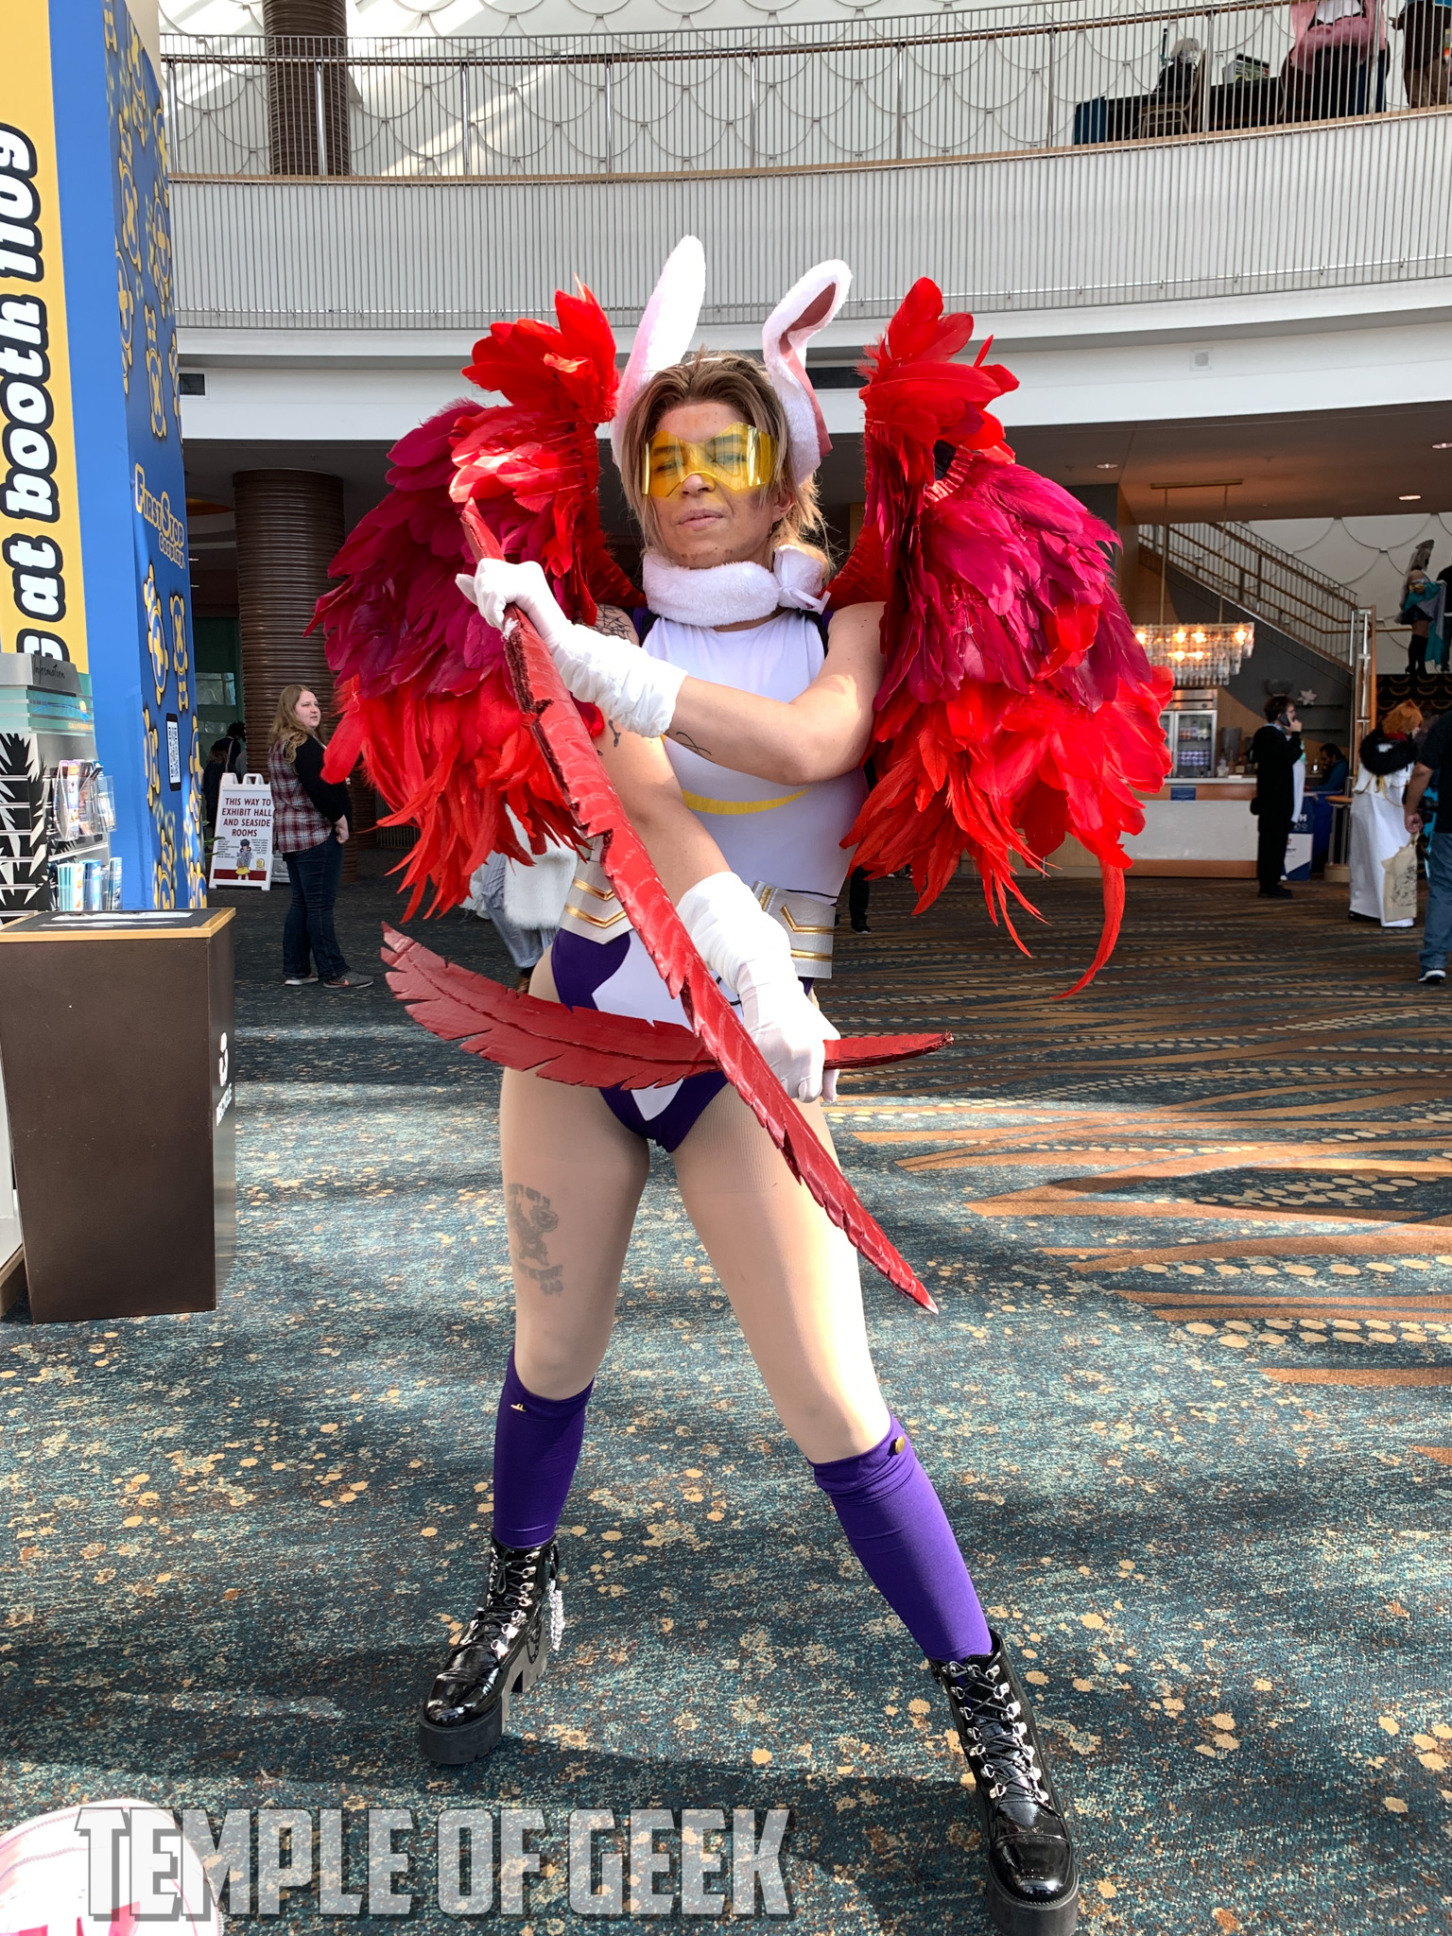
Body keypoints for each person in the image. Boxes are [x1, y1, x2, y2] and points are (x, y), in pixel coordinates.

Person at [317, 245, 1173, 1936]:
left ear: (782, 473)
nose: (695, 480)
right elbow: (640, 808)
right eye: (667, 456)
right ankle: (517, 1594)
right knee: (548, 1352)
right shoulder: (602, 621)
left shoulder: (833, 615)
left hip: (748, 1068)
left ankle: (985, 1703)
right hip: (583, 1028)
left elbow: (816, 746)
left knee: (835, 1405)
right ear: (638, 480)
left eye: (728, 452)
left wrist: (621, 692)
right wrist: (606, 683)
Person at [267, 684, 372, 992]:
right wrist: (341, 821)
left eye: (315, 703)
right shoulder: (305, 744)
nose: (314, 709)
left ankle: (296, 969)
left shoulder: (280, 744)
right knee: (319, 906)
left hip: (290, 836)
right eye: (305, 705)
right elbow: (318, 789)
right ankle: (334, 971)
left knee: (301, 903)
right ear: (290, 710)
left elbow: (308, 783)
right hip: (314, 834)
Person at [1349, 703, 1422, 924]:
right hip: (1390, 811)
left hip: (1363, 806)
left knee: (1363, 859)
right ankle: (1396, 916)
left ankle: (1364, 906)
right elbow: (1402, 790)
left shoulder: (1370, 749)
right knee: (1394, 858)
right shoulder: (1405, 754)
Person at [1404, 705, 1452, 981]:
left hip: (1451, 821)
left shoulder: (1447, 723)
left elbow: (1423, 770)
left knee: (1444, 888)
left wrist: (1410, 809)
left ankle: (1434, 961)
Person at [1250, 695, 1303, 897]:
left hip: (1275, 799)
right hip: (1274, 800)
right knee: (1272, 843)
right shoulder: (1269, 735)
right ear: (1280, 715)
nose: (1294, 716)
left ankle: (1271, 881)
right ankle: (1268, 884)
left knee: (1276, 842)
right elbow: (1288, 757)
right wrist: (1296, 735)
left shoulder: (1272, 735)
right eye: (1291, 712)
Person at [1401, 546, 1445, 676]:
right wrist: (1437, 585)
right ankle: (1413, 665)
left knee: (1423, 637)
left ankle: (1420, 665)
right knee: (1418, 637)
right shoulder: (1415, 574)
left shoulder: (1418, 574)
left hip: (1423, 610)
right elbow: (1419, 589)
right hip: (1418, 609)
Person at [201, 736, 230, 831]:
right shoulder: (224, 767)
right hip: (221, 804)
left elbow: (208, 787)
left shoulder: (210, 767)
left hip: (212, 803)